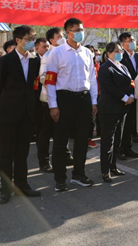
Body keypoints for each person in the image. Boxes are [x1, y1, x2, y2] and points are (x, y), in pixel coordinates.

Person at [45, 18, 98, 191]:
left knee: (82, 140)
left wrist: (94, 101)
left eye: (82, 29)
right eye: (77, 30)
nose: (80, 33)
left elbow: (92, 79)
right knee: (61, 141)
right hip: (64, 99)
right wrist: (53, 105)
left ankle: (79, 174)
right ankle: (60, 178)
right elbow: (50, 81)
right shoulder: (57, 53)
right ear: (68, 32)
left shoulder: (87, 53)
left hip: (83, 99)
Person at [0, 25, 42, 204]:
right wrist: (2, 109)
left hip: (27, 114)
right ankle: (5, 189)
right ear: (18, 40)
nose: (32, 42)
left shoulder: (35, 61)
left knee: (22, 153)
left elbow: (36, 87)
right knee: (7, 154)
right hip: (7, 114)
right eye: (29, 39)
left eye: (33, 39)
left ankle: (22, 185)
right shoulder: (5, 61)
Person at [37, 27, 72, 173]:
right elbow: (43, 77)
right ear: (51, 40)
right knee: (46, 132)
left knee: (63, 129)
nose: (63, 38)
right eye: (59, 36)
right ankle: (44, 162)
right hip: (49, 99)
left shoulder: (66, 52)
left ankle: (66, 155)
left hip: (64, 98)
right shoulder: (48, 55)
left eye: (63, 35)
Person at [97, 42, 133, 183]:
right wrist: (125, 97)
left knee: (118, 139)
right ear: (108, 53)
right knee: (108, 140)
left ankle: (113, 166)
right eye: (116, 51)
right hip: (109, 109)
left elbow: (130, 83)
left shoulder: (123, 66)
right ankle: (105, 170)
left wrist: (131, 95)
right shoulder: (105, 68)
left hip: (122, 109)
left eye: (120, 51)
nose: (119, 53)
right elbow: (109, 88)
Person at [118, 32, 138, 159]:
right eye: (129, 40)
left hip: (137, 93)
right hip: (126, 95)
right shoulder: (120, 57)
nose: (132, 42)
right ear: (123, 44)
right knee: (123, 124)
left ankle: (128, 147)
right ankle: (119, 149)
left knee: (131, 123)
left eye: (133, 40)